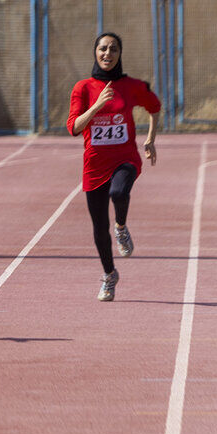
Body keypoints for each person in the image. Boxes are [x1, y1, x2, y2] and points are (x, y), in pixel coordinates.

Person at [67, 31, 160, 302]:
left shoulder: (130, 85)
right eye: (103, 49)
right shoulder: (82, 88)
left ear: (120, 54)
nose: (108, 54)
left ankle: (121, 226)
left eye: (114, 49)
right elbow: (73, 128)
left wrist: (151, 139)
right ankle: (109, 274)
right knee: (98, 227)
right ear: (95, 52)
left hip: (125, 158)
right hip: (95, 164)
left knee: (118, 193)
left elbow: (154, 107)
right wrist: (96, 106)